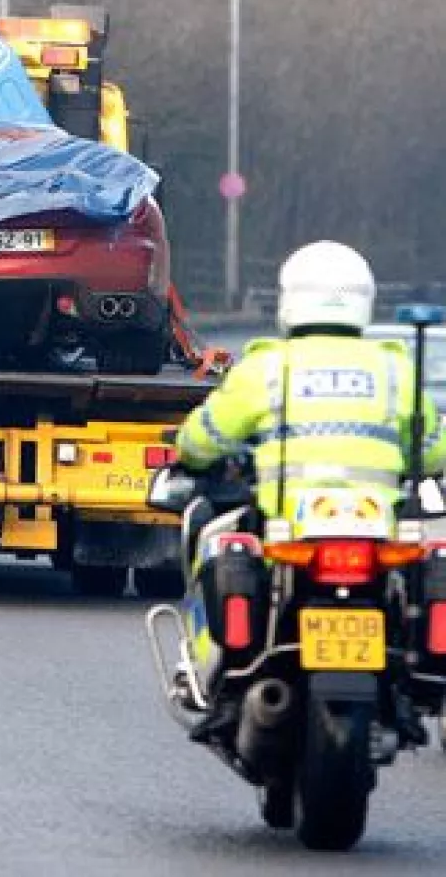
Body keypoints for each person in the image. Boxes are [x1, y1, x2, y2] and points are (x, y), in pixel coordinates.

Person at [171, 239, 446, 741]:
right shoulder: (393, 369)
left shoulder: (267, 366)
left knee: (216, 538)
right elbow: (432, 450)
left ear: (289, 298)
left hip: (289, 526)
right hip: (375, 531)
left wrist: (189, 457)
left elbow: (203, 437)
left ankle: (215, 669)